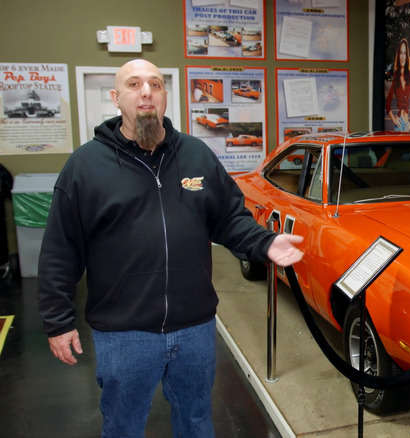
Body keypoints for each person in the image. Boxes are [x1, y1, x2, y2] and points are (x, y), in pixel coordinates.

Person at [37, 59, 304, 437]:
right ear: (116, 98)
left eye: (155, 84)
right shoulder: (85, 166)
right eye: (134, 84)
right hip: (124, 333)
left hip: (195, 327)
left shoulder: (196, 155)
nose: (146, 92)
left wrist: (266, 241)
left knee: (196, 422)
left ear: (164, 96)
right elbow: (60, 250)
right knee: (123, 427)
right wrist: (58, 322)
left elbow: (230, 218)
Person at [385, 38, 410, 131]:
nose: (403, 56)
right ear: (398, 55)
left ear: (407, 56)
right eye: (401, 53)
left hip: (406, 125)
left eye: (405, 53)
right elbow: (388, 103)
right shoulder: (396, 77)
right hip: (398, 125)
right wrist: (393, 118)